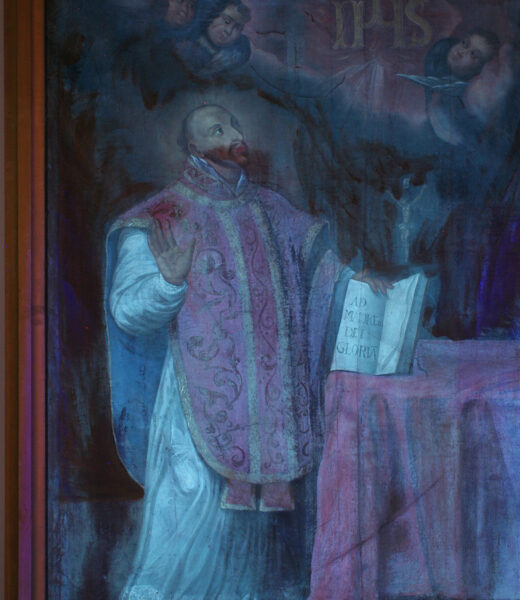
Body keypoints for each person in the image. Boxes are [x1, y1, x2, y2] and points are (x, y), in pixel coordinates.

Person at [105, 104, 387, 599]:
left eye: (234, 123)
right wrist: (169, 282)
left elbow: (321, 274)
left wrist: (352, 282)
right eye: (218, 129)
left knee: (251, 555)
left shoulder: (272, 208)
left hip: (269, 417)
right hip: (195, 408)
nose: (234, 133)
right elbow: (126, 310)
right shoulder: (162, 217)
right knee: (185, 530)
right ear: (194, 148)